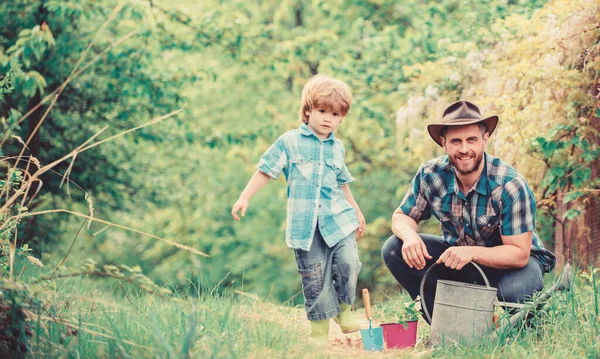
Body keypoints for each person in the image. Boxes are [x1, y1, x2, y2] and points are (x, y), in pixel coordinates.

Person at [382, 100, 556, 322]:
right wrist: (409, 236)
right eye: (456, 141)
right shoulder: (431, 174)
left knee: (515, 292)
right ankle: (450, 326)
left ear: (485, 139)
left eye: (471, 140)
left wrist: (471, 252)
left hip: (513, 264)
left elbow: (519, 254)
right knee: (394, 249)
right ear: (444, 144)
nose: (464, 149)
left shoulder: (509, 185)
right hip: (459, 261)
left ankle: (527, 328)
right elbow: (402, 216)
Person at [231, 74, 366, 345]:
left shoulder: (337, 147)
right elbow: (265, 170)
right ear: (307, 110)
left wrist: (357, 211)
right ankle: (319, 335)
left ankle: (345, 310)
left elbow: (342, 183)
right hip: (306, 226)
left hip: (339, 220)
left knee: (349, 262)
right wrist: (245, 197)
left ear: (342, 118)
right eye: (322, 111)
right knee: (315, 277)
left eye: (336, 114)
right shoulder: (289, 141)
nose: (329, 118)